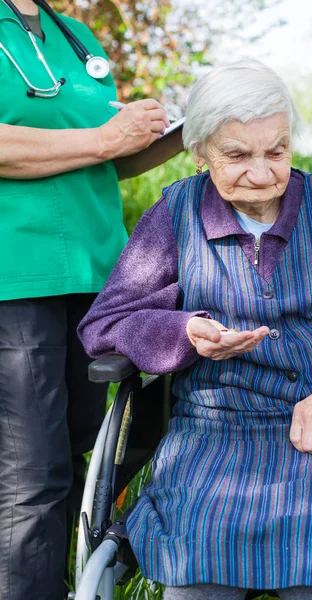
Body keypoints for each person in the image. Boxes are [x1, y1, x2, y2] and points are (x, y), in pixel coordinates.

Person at [78, 60, 312, 600]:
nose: (261, 171)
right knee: (199, 569)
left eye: (276, 150)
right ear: (200, 151)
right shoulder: (176, 214)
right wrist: (184, 332)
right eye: (236, 155)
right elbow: (107, 323)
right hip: (215, 435)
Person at [0, 1, 176, 599]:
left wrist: (183, 131)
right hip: (16, 277)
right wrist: (102, 137)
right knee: (30, 475)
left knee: (80, 458)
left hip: (95, 276)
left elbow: (104, 158)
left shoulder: (74, 36)